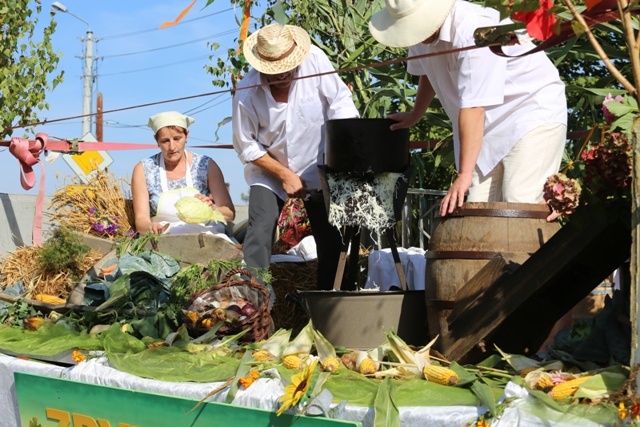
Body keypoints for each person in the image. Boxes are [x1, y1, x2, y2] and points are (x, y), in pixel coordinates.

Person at [369, 0, 567, 220]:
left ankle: (538, 255)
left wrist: (464, 175)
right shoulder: (416, 33)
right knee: (476, 211)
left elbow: (474, 107)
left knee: (519, 203)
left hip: (529, 111)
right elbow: (429, 71)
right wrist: (416, 113)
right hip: (482, 127)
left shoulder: (475, 29)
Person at [232, 23, 360, 290]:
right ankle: (256, 301)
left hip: (319, 162)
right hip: (269, 170)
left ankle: (331, 300)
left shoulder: (315, 60)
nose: (285, 74)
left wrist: (345, 148)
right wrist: (284, 174)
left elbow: (340, 103)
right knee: (261, 228)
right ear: (262, 67)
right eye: (276, 71)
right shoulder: (246, 92)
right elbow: (246, 146)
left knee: (331, 237)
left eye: (289, 67)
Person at [132, 111, 235, 236]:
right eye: (165, 141)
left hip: (208, 239)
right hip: (164, 241)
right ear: (157, 141)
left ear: (187, 136)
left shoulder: (206, 165)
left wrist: (213, 209)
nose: (172, 147)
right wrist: (150, 227)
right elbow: (141, 219)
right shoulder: (143, 169)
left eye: (177, 139)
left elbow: (230, 213)